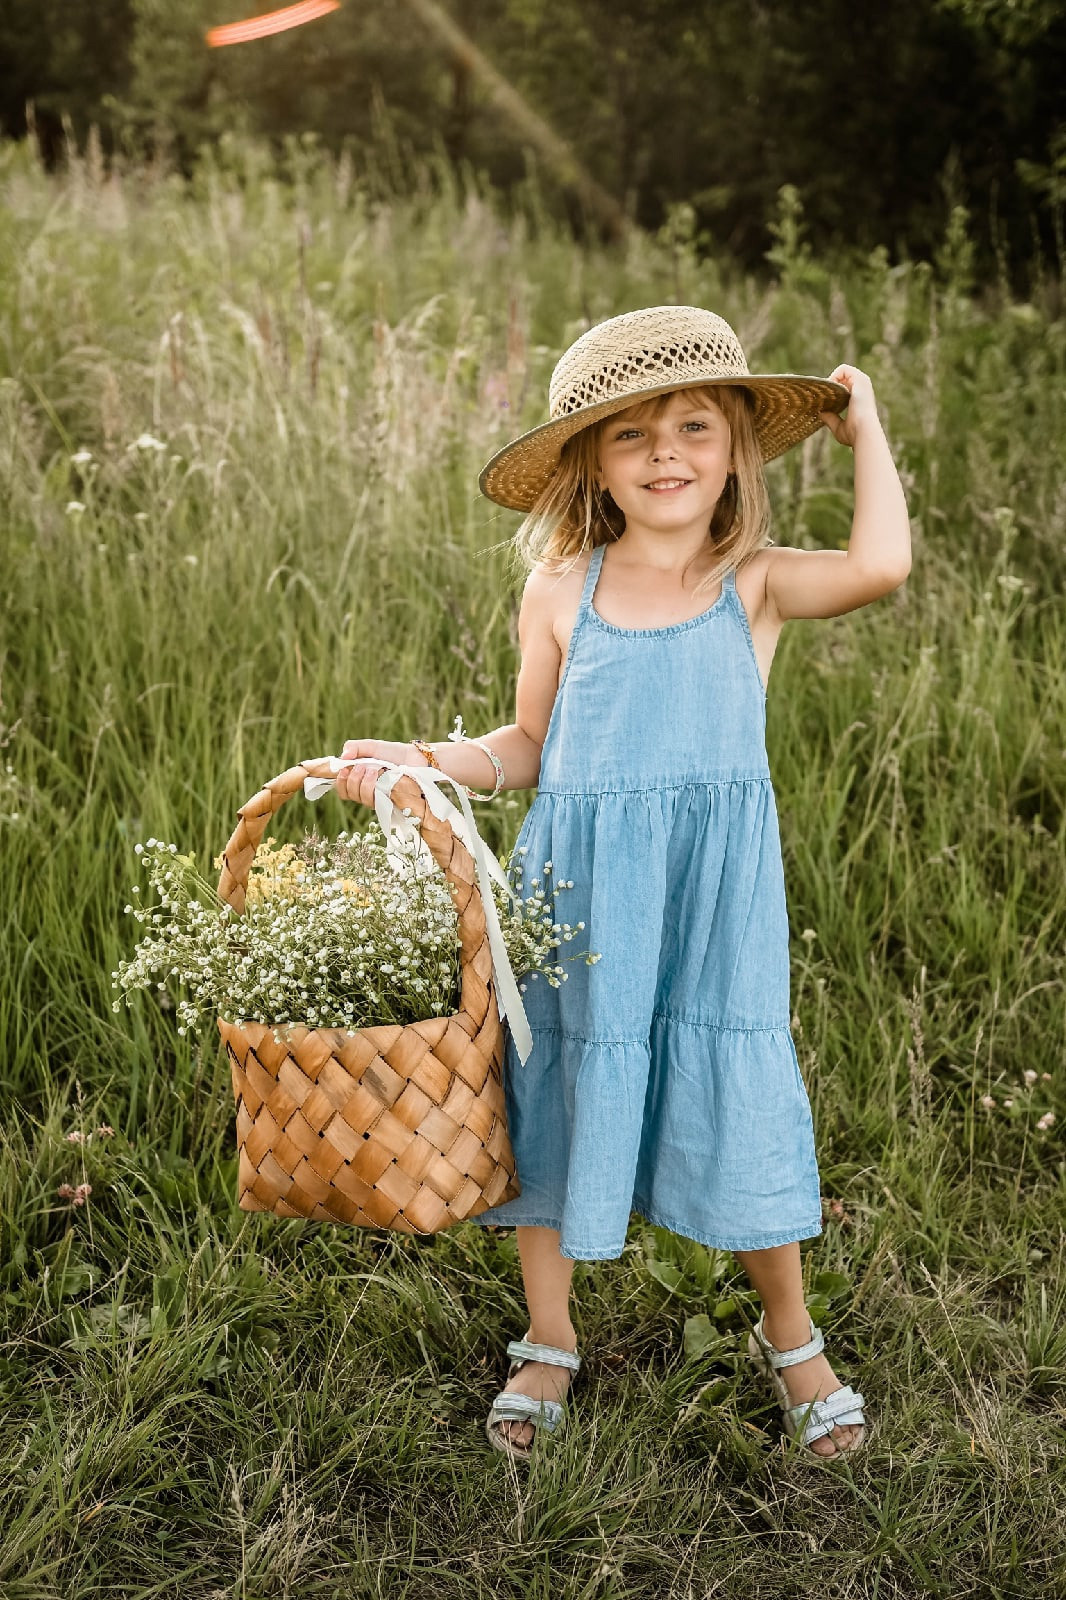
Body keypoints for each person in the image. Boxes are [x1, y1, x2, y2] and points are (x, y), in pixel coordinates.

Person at [336, 305, 911, 1464]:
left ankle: (790, 1334)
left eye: (693, 426)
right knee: (556, 1087)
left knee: (734, 1085)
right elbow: (530, 745)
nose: (664, 454)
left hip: (710, 896)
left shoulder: (752, 582)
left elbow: (881, 565)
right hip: (581, 889)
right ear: (592, 465)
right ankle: (548, 1337)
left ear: (735, 447)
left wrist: (870, 434)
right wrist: (429, 761)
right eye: (630, 434)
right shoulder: (561, 589)